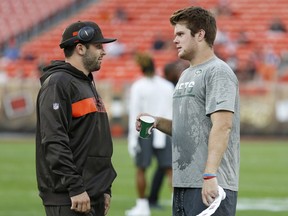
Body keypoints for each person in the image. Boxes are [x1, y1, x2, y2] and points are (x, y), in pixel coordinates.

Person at [135, 6, 240, 216]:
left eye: (181, 34)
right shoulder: (185, 75)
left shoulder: (218, 72)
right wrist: (157, 122)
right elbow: (188, 129)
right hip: (183, 183)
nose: (175, 40)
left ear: (200, 34)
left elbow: (222, 125)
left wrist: (210, 175)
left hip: (210, 184)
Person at [35, 21, 117, 216]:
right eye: (98, 46)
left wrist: (105, 188)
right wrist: (75, 187)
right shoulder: (58, 83)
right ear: (80, 48)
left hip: (91, 193)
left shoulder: (85, 83)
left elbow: (96, 142)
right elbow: (54, 140)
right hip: (71, 197)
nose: (103, 51)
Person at [125, 53, 174, 216]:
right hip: (164, 131)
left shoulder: (138, 86)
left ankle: (142, 207)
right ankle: (180, 204)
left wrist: (132, 138)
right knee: (170, 170)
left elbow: (134, 113)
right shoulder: (167, 86)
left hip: (144, 131)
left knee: (141, 169)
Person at [147, 59, 188, 209]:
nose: (179, 72)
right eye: (176, 70)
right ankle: (176, 201)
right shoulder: (168, 88)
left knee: (163, 167)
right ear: (169, 73)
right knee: (169, 167)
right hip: (164, 130)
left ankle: (152, 198)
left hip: (162, 129)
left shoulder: (167, 86)